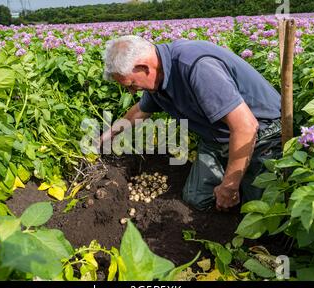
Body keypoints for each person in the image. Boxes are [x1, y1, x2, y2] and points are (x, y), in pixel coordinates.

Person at [99, 35, 282, 212]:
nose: (131, 91)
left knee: (262, 211)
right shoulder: (158, 77)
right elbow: (140, 110)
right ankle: (239, 174)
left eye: (130, 84)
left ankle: (241, 179)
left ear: (144, 68)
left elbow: (246, 127)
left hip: (262, 134)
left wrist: (230, 186)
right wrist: (108, 136)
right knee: (197, 199)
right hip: (218, 137)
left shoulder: (197, 68)